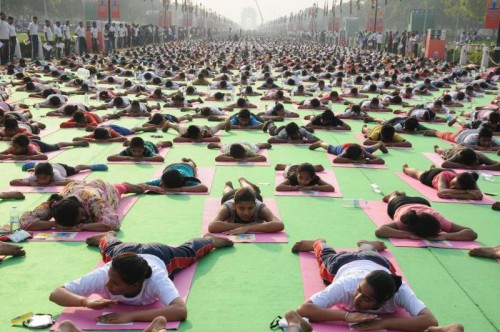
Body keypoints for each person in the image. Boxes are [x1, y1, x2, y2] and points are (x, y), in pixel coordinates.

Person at [49, 231, 233, 324]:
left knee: (190, 251)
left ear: (135, 284)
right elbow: (56, 293)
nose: (107, 284)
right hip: (124, 252)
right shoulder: (106, 272)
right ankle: (107, 236)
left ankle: (209, 240)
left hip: (158, 253)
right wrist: (85, 303)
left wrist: (131, 316)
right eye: (110, 278)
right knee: (109, 247)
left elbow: (180, 310)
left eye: (114, 283)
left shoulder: (156, 278)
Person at [291, 239, 438, 331]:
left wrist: (384, 324)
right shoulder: (347, 285)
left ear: (383, 301)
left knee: (370, 253)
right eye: (359, 290)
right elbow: (304, 309)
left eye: (367, 299)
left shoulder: (400, 291)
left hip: (378, 262)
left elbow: (430, 321)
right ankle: (318, 242)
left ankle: (367, 245)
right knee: (326, 256)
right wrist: (346, 316)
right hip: (343, 263)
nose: (357, 299)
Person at [19, 179, 144, 231]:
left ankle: (127, 186)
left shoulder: (94, 201)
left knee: (118, 191)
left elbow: (114, 223)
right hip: (75, 186)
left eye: (82, 216)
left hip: (101, 188)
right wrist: (54, 223)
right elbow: (25, 221)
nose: (84, 218)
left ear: (81, 209)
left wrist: (82, 226)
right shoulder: (55, 203)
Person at [374, 191, 477, 241]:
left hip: (423, 203)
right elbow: (380, 230)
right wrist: (407, 234)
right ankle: (394, 193)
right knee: (393, 197)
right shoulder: (405, 221)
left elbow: (472, 233)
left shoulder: (439, 219)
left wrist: (446, 235)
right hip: (400, 203)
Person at [208, 178, 284, 235]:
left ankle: (242, 180)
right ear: (234, 206)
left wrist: (248, 228)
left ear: (254, 205)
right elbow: (212, 226)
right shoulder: (227, 207)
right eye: (241, 208)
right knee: (228, 192)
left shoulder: (260, 207)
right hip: (230, 196)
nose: (246, 212)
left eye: (250, 208)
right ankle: (228, 185)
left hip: (253, 195)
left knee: (250, 190)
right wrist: (244, 226)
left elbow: (279, 224)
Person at [402, 164, 483, 200]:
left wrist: (453, 195)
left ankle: (432, 168)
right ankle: (406, 169)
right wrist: (466, 192)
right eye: (453, 184)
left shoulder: (468, 180)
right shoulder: (443, 177)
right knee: (418, 173)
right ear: (455, 177)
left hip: (448, 172)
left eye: (455, 188)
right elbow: (442, 191)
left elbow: (479, 195)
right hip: (431, 176)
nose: (452, 188)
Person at [10, 161, 107, 186]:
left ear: (51, 176)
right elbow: (13, 182)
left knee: (76, 169)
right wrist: (29, 183)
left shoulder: (56, 175)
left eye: (45, 178)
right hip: (46, 166)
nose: (42, 180)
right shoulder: (34, 177)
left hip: (61, 168)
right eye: (39, 178)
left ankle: (89, 166)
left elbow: (72, 181)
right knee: (40, 168)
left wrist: (56, 183)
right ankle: (34, 165)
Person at [139, 158, 207, 193]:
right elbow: (140, 184)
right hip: (171, 166)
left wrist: (179, 189)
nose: (160, 183)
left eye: (162, 183)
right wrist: (154, 188)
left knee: (192, 164)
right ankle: (183, 161)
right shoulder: (163, 180)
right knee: (182, 164)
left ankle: (189, 161)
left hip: (188, 167)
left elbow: (204, 188)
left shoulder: (185, 182)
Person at [0, 134, 88, 161]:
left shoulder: (31, 149)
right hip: (28, 142)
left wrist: (27, 157)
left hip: (39, 145)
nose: (14, 149)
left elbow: (44, 156)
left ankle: (77, 143)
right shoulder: (12, 148)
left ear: (24, 147)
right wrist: (10, 156)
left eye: (17, 147)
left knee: (57, 146)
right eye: (13, 146)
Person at [309, 141, 387, 165]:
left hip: (359, 147)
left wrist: (367, 161)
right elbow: (335, 160)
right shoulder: (345, 152)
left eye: (360, 156)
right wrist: (353, 161)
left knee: (372, 148)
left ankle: (380, 143)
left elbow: (381, 160)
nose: (360, 158)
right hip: (342, 147)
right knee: (330, 148)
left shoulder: (363, 151)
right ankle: (320, 143)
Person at [424, 127, 500, 151]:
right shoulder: (472, 138)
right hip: (462, 134)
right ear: (478, 138)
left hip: (472, 130)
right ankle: (435, 132)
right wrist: (478, 147)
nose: (486, 143)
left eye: (488, 141)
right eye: (484, 140)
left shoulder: (491, 139)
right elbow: (461, 144)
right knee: (446, 136)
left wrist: (492, 148)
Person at [433, 145, 500, 171]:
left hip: (464, 148)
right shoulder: (458, 156)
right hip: (454, 150)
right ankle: (437, 148)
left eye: (476, 161)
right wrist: (465, 166)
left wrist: (484, 167)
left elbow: (498, 165)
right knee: (442, 151)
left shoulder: (480, 156)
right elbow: (444, 164)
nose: (476, 163)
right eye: (474, 163)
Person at [107, 137, 172, 163]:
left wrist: (143, 158)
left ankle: (161, 142)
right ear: (130, 149)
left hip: (149, 145)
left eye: (139, 151)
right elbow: (109, 158)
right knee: (134, 145)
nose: (136, 153)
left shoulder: (146, 150)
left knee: (157, 146)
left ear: (143, 149)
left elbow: (161, 158)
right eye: (134, 151)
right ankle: (129, 142)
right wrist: (128, 157)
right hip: (139, 144)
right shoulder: (128, 150)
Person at [164, 121, 229, 143]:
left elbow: (217, 139)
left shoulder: (204, 133)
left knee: (217, 127)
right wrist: (189, 139)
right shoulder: (186, 133)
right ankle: (169, 124)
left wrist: (202, 139)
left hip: (205, 128)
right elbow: (175, 139)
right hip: (189, 129)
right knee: (178, 127)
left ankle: (227, 122)